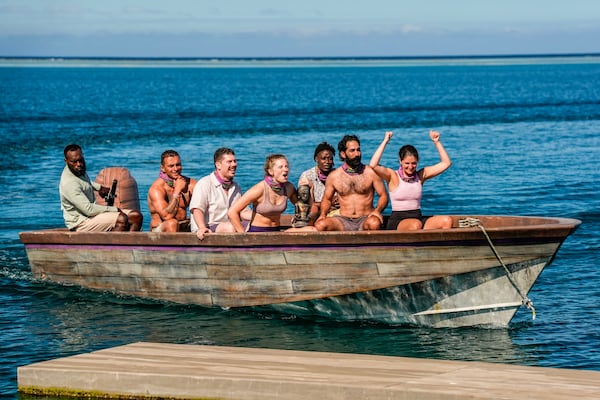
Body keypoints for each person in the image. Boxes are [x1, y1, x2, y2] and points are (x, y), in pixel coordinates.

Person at [369, 130, 453, 231]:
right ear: (400, 161)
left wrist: (436, 142)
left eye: (414, 163)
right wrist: (385, 141)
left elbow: (446, 163)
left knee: (447, 220)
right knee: (415, 225)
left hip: (417, 219)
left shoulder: (421, 175)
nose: (410, 167)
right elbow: (373, 165)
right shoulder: (393, 176)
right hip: (398, 221)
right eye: (407, 163)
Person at [59, 144, 143, 232]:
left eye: (81, 160)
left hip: (91, 216)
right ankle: (111, 245)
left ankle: (128, 245)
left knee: (136, 216)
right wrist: (114, 209)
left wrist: (100, 188)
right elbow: (89, 210)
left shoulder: (78, 170)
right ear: (66, 161)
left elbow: (84, 183)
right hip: (80, 222)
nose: (79, 164)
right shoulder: (69, 183)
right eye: (74, 162)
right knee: (121, 219)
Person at [314, 135, 388, 231]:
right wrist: (323, 214)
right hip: (343, 220)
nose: (357, 154)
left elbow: (383, 196)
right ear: (343, 154)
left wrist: (377, 211)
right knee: (321, 225)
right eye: (352, 151)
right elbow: (327, 199)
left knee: (374, 223)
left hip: (365, 218)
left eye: (358, 150)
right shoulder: (334, 176)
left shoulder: (371, 172)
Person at [228, 154, 317, 233]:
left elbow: (304, 208)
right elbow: (232, 212)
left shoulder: (288, 187)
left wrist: (310, 188)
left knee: (312, 230)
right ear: (271, 171)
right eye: (280, 167)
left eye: (286, 166)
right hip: (257, 233)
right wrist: (243, 235)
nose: (285, 169)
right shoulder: (259, 189)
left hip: (277, 232)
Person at [190, 147, 251, 240]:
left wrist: (261, 217)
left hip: (230, 225)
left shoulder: (235, 186)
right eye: (229, 162)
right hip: (207, 226)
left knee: (256, 225)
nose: (234, 164)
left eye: (235, 161)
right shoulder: (205, 183)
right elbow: (197, 209)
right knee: (230, 227)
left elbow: (243, 212)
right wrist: (202, 228)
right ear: (218, 165)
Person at [147, 149, 197, 232]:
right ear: (163, 168)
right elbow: (167, 216)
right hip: (161, 230)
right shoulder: (157, 188)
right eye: (171, 166)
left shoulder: (190, 184)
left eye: (178, 165)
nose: (176, 169)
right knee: (172, 223)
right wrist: (177, 191)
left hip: (183, 226)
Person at [297, 142, 339, 224]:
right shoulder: (307, 176)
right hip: (312, 214)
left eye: (330, 159)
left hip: (333, 214)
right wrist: (328, 203)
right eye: (323, 158)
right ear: (316, 159)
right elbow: (303, 204)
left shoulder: (338, 175)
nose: (327, 161)